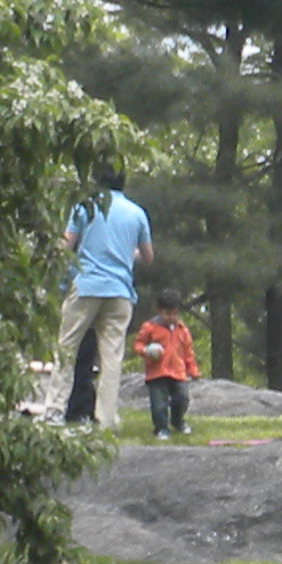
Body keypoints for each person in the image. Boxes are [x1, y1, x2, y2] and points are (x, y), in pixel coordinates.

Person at [55, 167, 152, 432]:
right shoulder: (136, 213)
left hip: (87, 285)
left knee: (66, 349)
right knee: (111, 358)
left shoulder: (85, 206)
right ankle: (106, 420)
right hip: (120, 291)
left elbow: (66, 245)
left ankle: (54, 411)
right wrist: (126, 254)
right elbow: (147, 256)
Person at [129, 300, 198, 441]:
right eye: (167, 314)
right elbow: (138, 344)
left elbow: (188, 352)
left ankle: (177, 421)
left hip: (178, 372)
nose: (171, 317)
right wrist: (146, 350)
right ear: (159, 311)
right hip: (157, 372)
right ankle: (161, 428)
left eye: (175, 314)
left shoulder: (182, 329)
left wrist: (192, 369)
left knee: (182, 398)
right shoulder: (150, 327)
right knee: (159, 404)